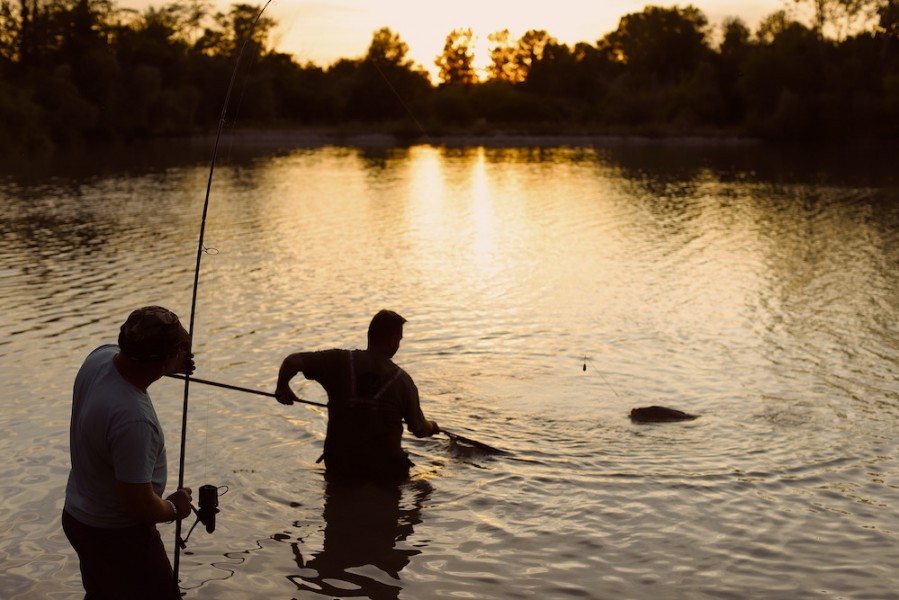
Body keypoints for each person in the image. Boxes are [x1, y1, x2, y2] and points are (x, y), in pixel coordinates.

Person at [62, 306, 195, 600]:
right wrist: (175, 508)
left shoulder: (100, 358)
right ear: (162, 361)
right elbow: (139, 505)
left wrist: (171, 360)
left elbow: (146, 362)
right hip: (117, 536)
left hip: (78, 518)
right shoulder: (133, 419)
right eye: (180, 348)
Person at [275, 310, 440, 483]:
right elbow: (419, 429)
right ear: (393, 340)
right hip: (384, 471)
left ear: (370, 335)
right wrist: (433, 426)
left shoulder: (338, 361)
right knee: (424, 487)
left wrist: (282, 386)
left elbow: (292, 361)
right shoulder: (403, 381)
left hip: (341, 466)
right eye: (399, 339)